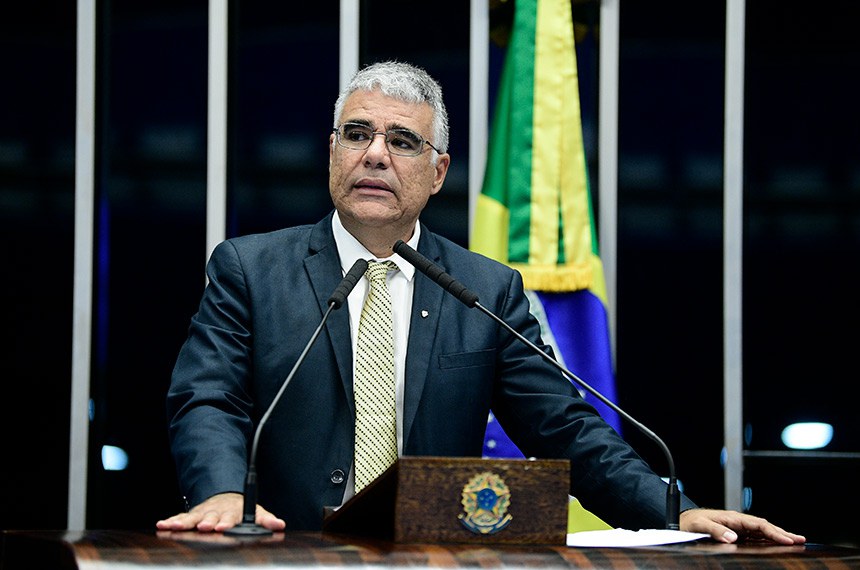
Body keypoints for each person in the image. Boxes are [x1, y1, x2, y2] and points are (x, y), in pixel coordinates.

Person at [156, 60, 804, 545]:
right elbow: (208, 398)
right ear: (333, 152)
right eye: (357, 134)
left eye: (402, 141)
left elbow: (565, 429)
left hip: (431, 560)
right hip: (284, 556)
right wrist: (222, 494)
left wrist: (674, 512)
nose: (375, 154)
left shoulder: (484, 290)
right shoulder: (250, 269)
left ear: (438, 172)